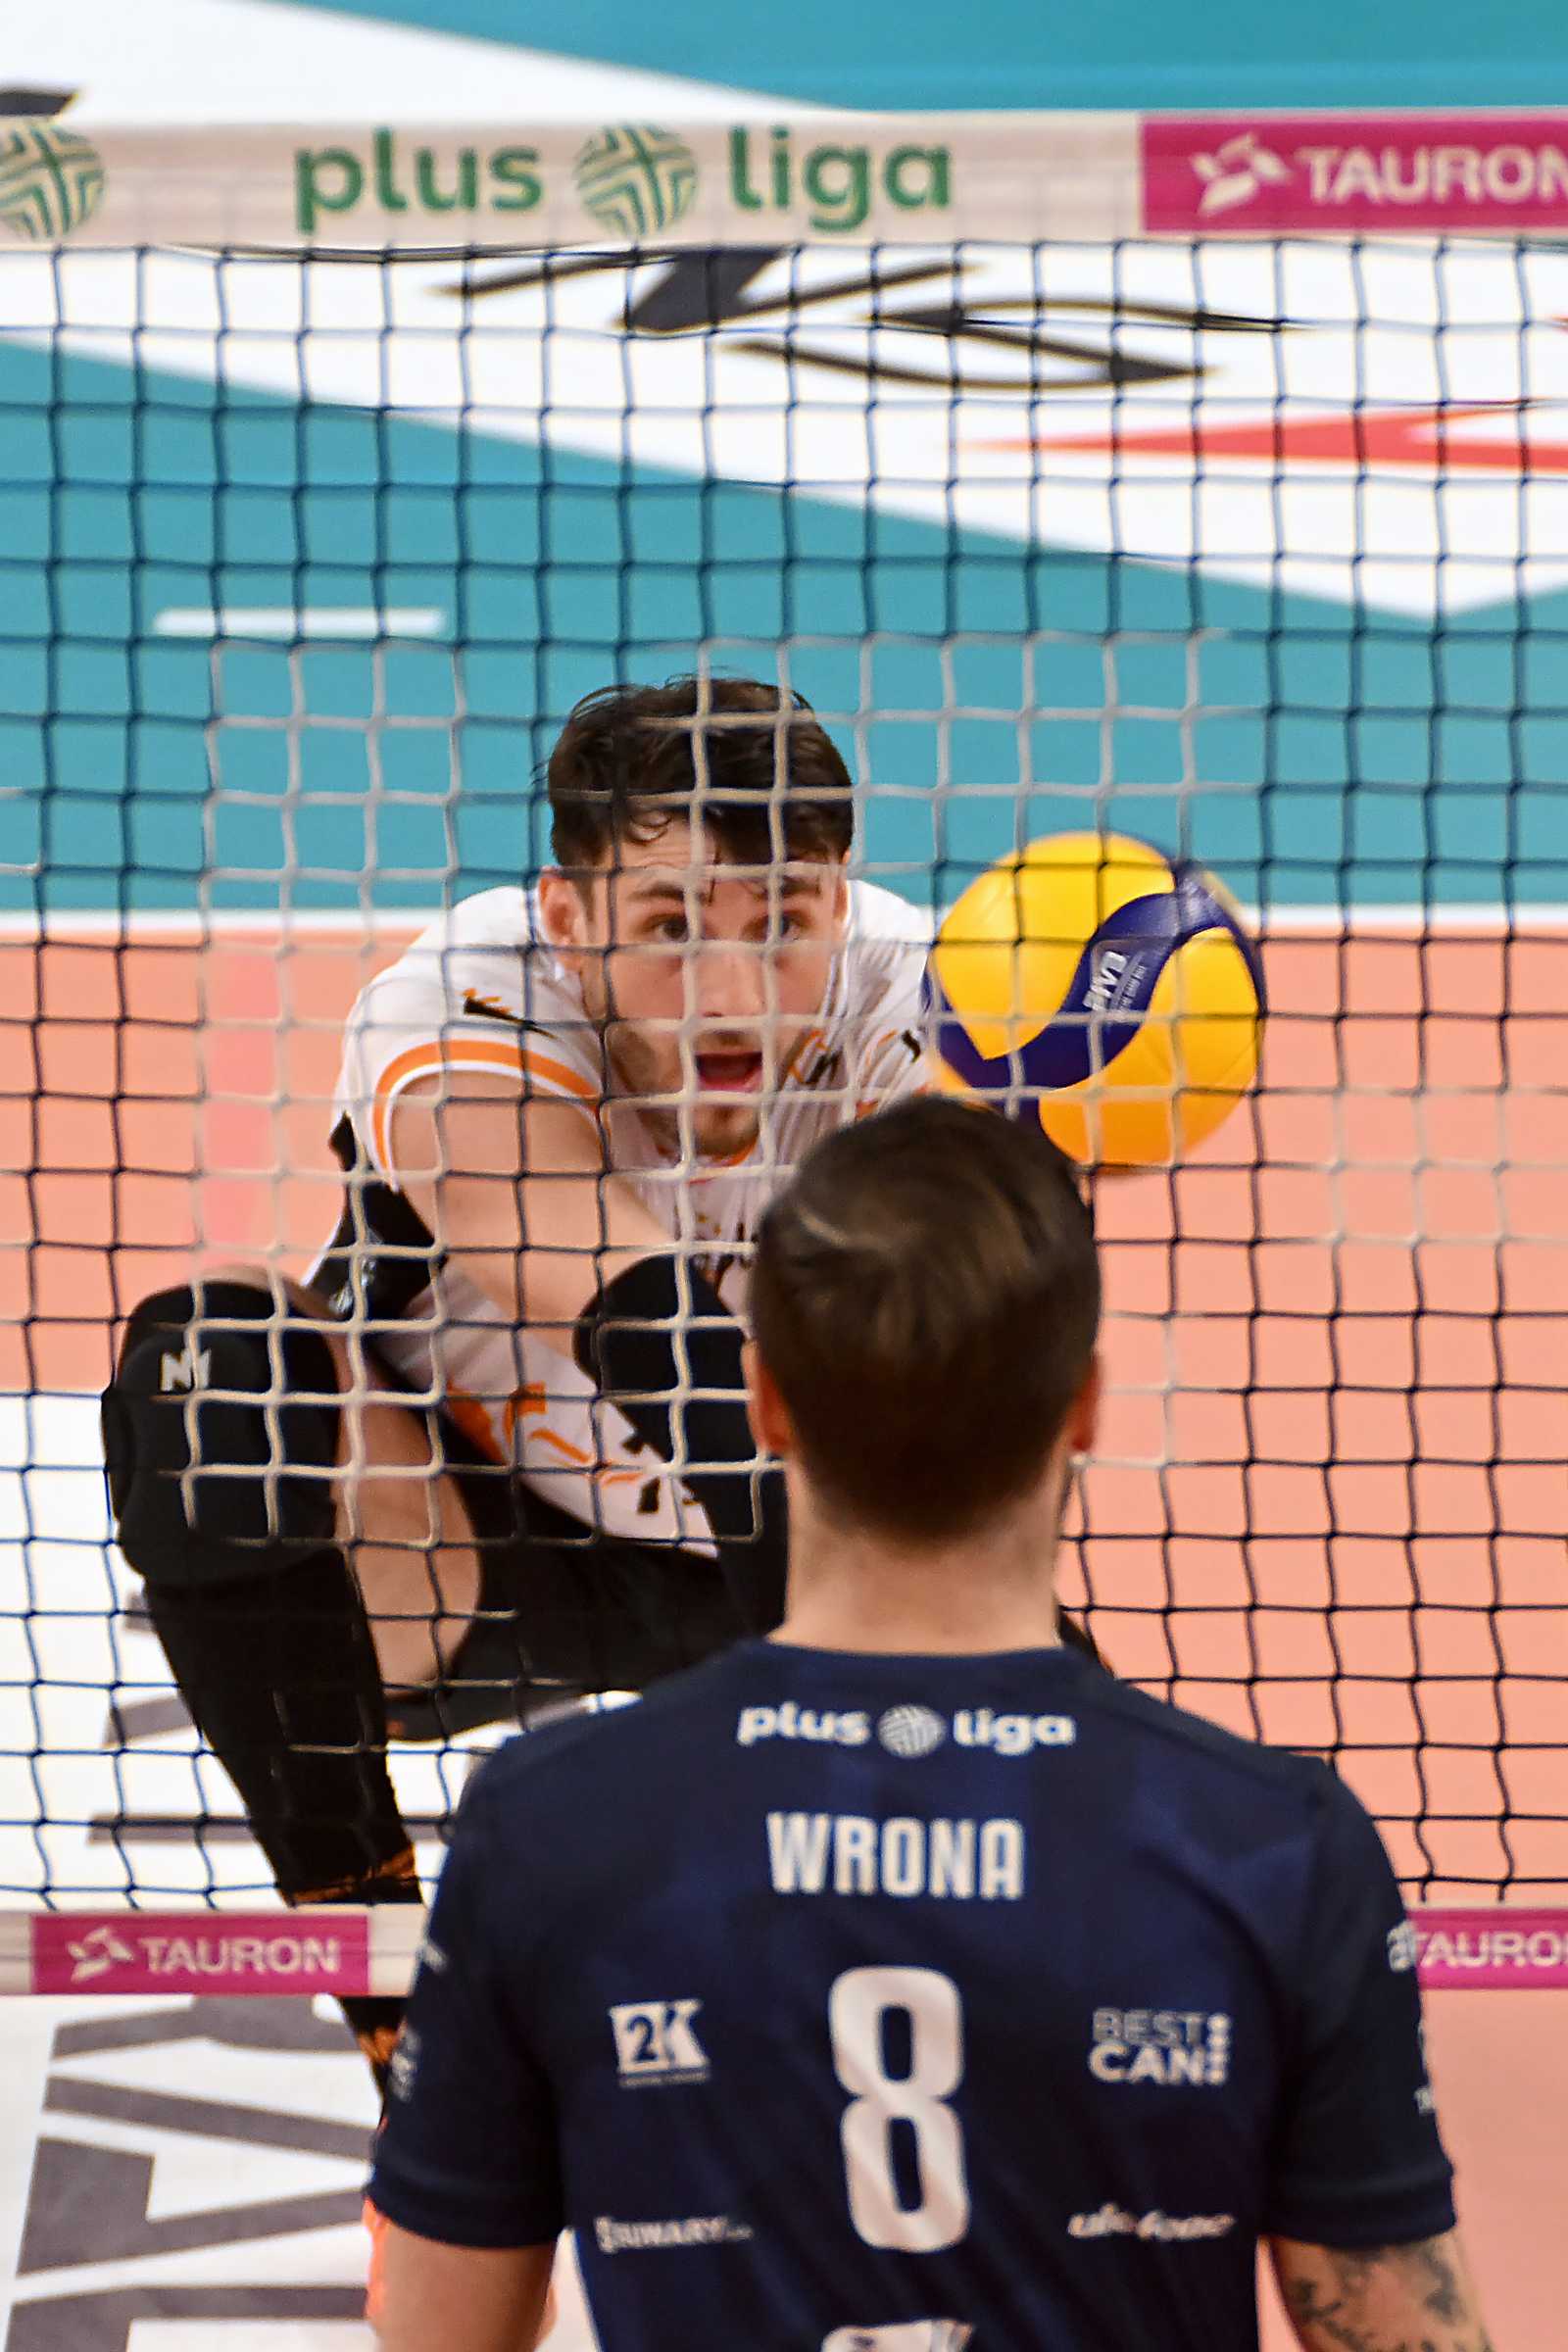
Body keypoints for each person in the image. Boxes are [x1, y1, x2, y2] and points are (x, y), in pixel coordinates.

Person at [366, 1097, 1493, 2352]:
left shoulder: (549, 1825)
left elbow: (438, 2340)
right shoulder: (1277, 1846)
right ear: (1082, 1407)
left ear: (765, 1404)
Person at [100, 674, 1093, 2086]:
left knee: (1052, 1798)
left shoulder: (925, 1011)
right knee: (215, 1382)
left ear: (840, 898)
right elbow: (619, 1304)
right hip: (464, 1550)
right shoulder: (466, 996)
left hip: (811, 1550)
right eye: (670, 926)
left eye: (784, 921)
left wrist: (1047, 1120)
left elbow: (950, 1378)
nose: (732, 993)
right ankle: (394, 2005)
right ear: (570, 919)